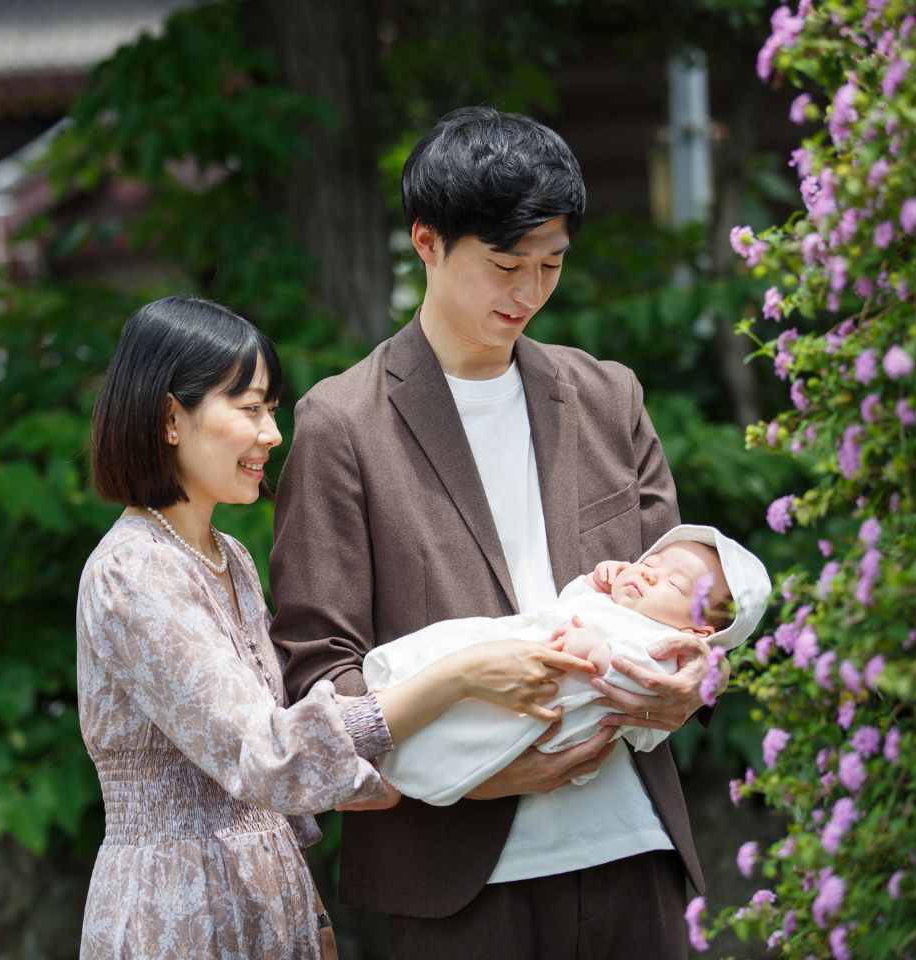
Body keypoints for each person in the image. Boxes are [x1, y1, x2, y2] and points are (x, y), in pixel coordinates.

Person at [271, 106, 728, 958]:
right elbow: (320, 676)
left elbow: (694, 605)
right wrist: (470, 780)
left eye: (552, 265)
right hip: (451, 884)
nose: (529, 293)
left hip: (632, 853)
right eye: (506, 264)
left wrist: (699, 679)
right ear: (427, 243)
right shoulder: (341, 424)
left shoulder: (608, 399)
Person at [75, 295, 597, 960]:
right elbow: (268, 754)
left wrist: (317, 915)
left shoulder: (229, 558)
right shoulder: (132, 573)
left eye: (270, 408)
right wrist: (458, 678)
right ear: (172, 417)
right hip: (175, 912)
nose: (271, 433)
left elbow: (292, 776)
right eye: (249, 407)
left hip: (271, 900)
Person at [366, 526, 771, 806]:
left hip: (550, 708)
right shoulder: (619, 604)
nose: (649, 575)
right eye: (652, 562)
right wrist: (592, 583)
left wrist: (601, 655)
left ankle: (408, 763)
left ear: (695, 631)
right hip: (509, 660)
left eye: (674, 584)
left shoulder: (661, 646)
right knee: (452, 663)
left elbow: (643, 678)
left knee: (476, 730)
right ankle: (396, 698)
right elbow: (569, 608)